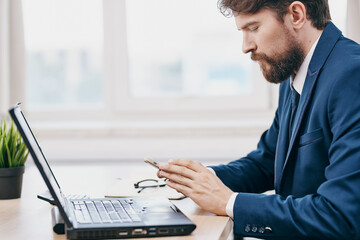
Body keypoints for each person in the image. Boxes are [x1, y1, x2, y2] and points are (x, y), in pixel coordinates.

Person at [157, 0, 360, 239]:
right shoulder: (295, 70)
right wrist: (202, 179)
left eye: (253, 28)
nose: (245, 46)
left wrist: (229, 202)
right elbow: (268, 161)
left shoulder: (351, 75)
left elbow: (340, 215)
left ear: (296, 15)